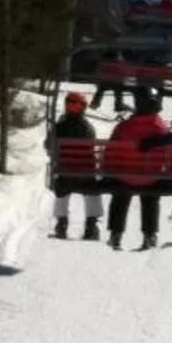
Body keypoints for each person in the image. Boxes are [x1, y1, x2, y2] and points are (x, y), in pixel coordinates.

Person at [104, 89, 171, 249]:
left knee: (120, 194)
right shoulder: (162, 128)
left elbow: (110, 152)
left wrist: (110, 170)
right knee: (150, 197)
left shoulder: (123, 127)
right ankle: (150, 235)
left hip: (125, 176)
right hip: (151, 178)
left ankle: (116, 234)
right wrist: (169, 172)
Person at [50, 92, 103, 241]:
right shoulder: (88, 128)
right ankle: (91, 226)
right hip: (86, 176)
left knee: (61, 189)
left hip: (64, 174)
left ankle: (61, 223)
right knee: (93, 190)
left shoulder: (59, 126)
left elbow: (49, 146)